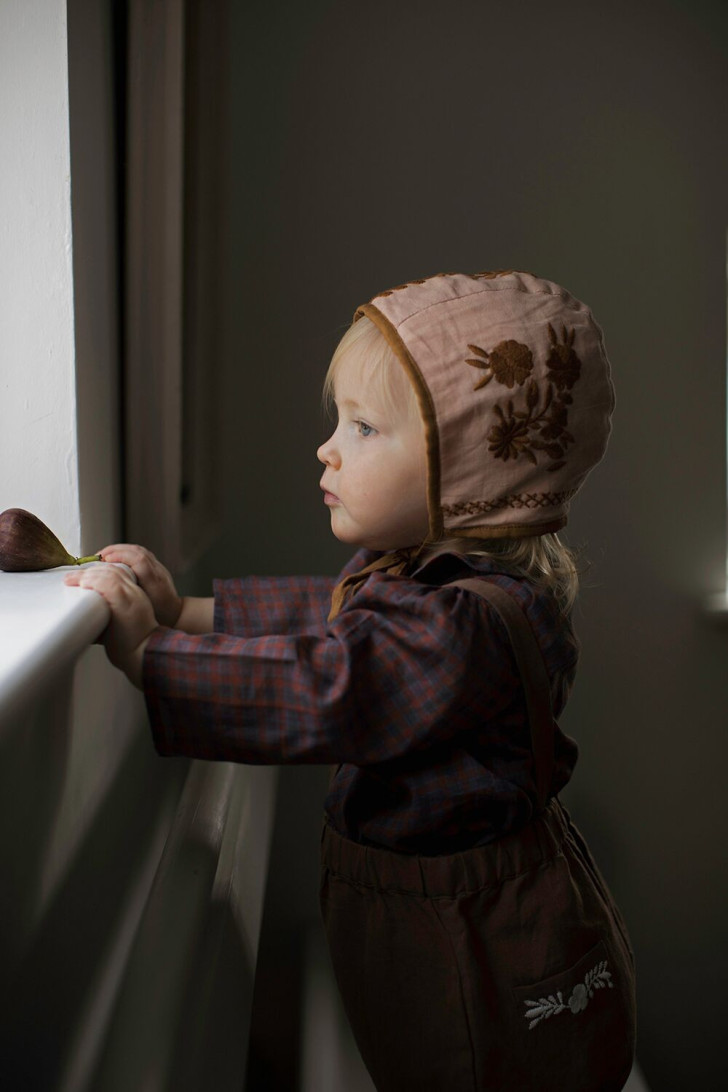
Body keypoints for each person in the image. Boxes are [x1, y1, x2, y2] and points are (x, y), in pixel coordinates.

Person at [65, 270, 636, 1090]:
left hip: (468, 934)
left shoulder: (462, 625)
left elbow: (337, 682)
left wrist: (148, 656)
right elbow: (330, 615)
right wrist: (185, 610)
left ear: (472, 473)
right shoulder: (419, 579)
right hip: (418, 915)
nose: (329, 446)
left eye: (364, 427)